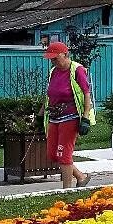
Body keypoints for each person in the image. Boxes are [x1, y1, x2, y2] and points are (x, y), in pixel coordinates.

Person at [43, 41, 95, 189]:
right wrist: (40, 114)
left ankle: (67, 190)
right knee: (53, 154)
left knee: (64, 154)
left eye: (55, 58)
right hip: (54, 116)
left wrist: (85, 118)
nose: (53, 61)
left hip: (70, 117)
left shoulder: (76, 70)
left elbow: (86, 94)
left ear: (65, 55)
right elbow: (48, 95)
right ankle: (81, 176)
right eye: (51, 59)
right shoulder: (53, 71)